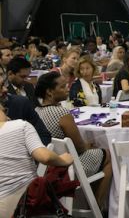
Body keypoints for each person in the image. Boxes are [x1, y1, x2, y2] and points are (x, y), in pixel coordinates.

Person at [35, 72, 113, 208]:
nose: (67, 89)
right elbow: (79, 147)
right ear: (49, 92)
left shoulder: (36, 111)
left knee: (97, 153)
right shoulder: (62, 114)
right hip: (67, 168)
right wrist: (88, 145)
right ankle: (98, 206)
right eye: (62, 86)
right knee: (109, 154)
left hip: (45, 168)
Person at [0, 103, 73, 217]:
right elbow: (45, 157)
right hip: (23, 206)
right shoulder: (20, 126)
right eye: (4, 110)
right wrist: (63, 160)